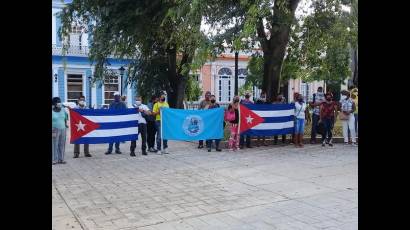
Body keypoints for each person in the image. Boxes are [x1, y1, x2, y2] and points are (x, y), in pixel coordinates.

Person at [52, 97, 68, 164]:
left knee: (62, 144)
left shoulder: (63, 110)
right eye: (57, 102)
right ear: (54, 103)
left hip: (63, 129)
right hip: (54, 129)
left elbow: (65, 118)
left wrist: (65, 124)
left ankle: (61, 159)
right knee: (54, 145)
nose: (59, 103)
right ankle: (54, 160)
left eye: (59, 101)